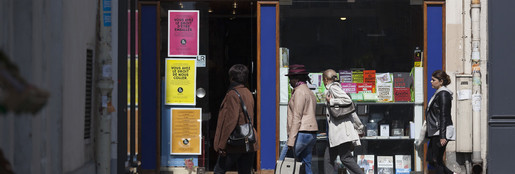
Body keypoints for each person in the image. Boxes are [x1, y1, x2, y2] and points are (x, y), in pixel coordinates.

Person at [213, 64, 258, 174]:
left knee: (219, 171)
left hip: (235, 143)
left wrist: (222, 144)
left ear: (231, 78)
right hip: (249, 140)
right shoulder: (247, 92)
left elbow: (230, 121)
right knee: (244, 171)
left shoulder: (233, 94)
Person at [321, 69, 364, 174]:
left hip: (341, 133)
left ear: (326, 79)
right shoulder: (336, 88)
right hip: (336, 133)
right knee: (328, 160)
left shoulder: (333, 88)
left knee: (345, 158)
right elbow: (350, 111)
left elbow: (348, 101)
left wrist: (331, 101)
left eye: (323, 79)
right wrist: (359, 127)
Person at [279, 64, 318, 174]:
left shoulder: (299, 92)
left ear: (296, 79)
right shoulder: (310, 92)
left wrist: (291, 140)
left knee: (284, 164)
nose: (289, 81)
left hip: (300, 133)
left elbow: (297, 117)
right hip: (311, 133)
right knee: (306, 165)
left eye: (290, 78)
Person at [426, 70, 454, 174]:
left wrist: (443, 135)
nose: (431, 82)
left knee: (436, 160)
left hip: (439, 131)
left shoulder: (443, 94)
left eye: (433, 80)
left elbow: (444, 115)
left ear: (441, 81)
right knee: (432, 159)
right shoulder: (438, 93)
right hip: (435, 131)